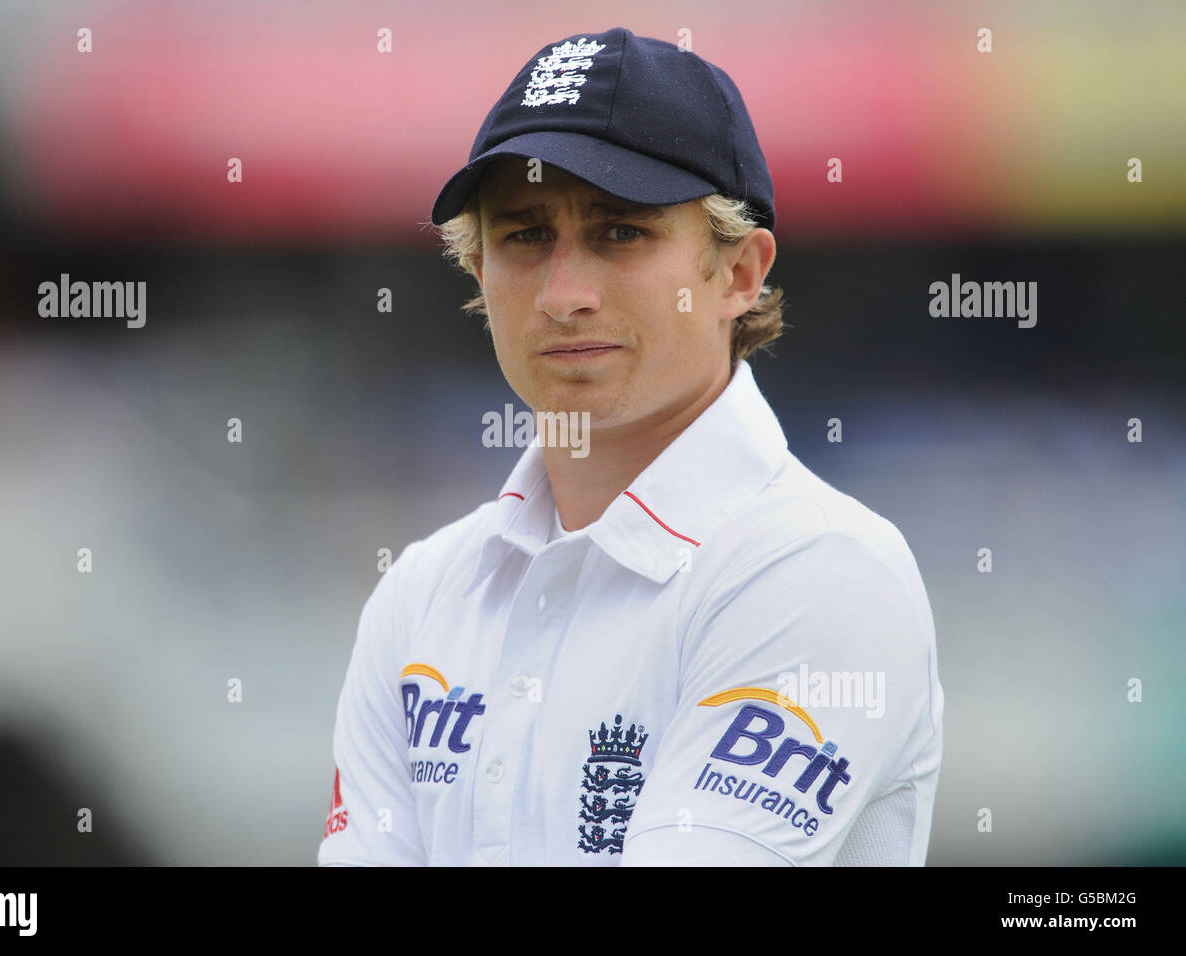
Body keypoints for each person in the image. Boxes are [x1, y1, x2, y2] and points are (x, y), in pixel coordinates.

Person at [319, 26, 943, 866]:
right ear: (477, 269)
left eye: (621, 233)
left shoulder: (820, 569)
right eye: (524, 235)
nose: (564, 294)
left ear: (739, 274)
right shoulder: (423, 594)